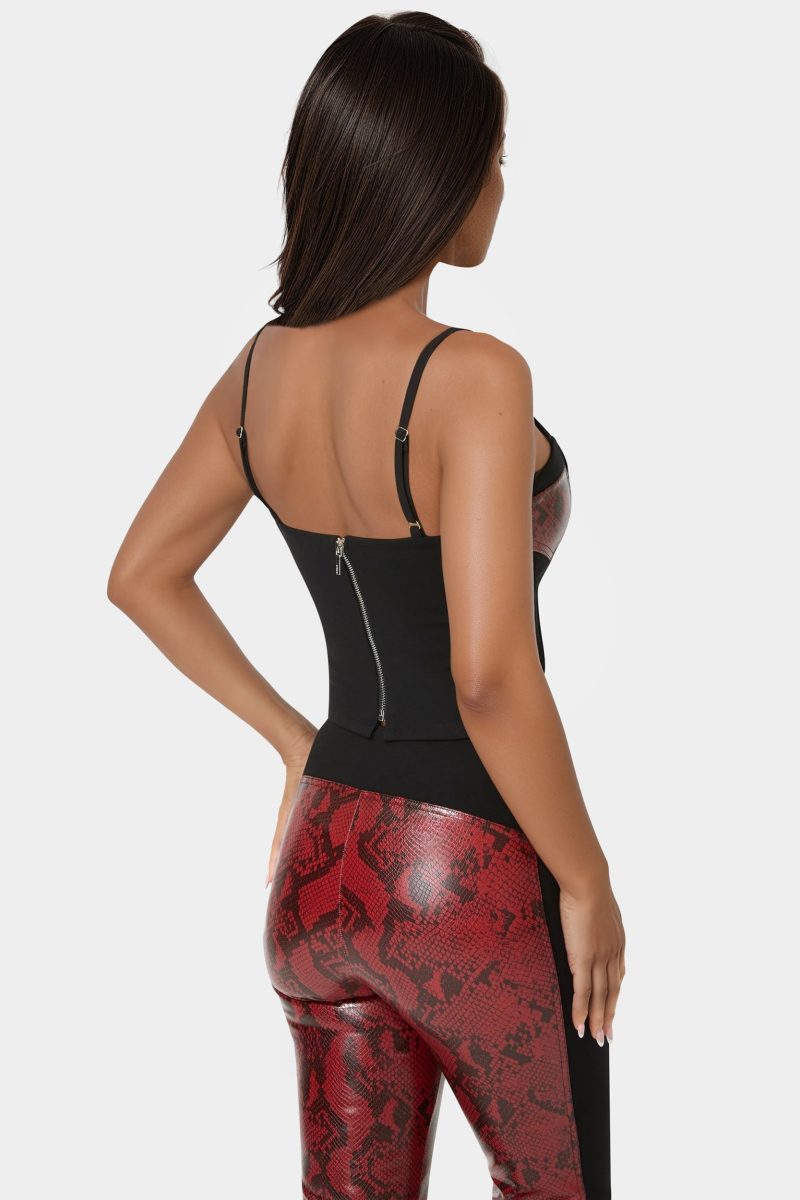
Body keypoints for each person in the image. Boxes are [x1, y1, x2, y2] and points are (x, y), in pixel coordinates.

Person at [107, 11, 625, 1199]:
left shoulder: (258, 371)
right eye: (490, 157)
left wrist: (300, 743)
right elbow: (488, 679)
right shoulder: (474, 375)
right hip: (472, 871)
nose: (498, 185)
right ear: (434, 172)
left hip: (321, 869)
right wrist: (584, 876)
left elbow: (142, 573)